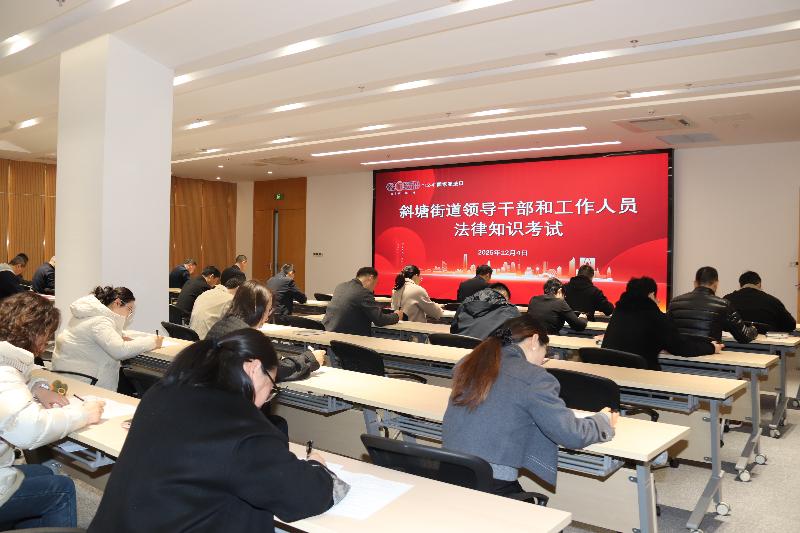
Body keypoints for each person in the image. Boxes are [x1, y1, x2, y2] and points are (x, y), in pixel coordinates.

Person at [88, 329, 338, 533]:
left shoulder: (162, 392)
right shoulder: (239, 426)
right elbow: (305, 497)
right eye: (271, 385)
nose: (266, 398)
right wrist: (317, 466)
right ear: (253, 368)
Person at [443, 315, 616, 493]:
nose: (543, 359)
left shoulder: (469, 362)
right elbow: (572, 435)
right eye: (545, 351)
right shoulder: (534, 378)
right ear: (534, 340)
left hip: (449, 471)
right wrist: (602, 420)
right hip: (491, 482)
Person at [0, 292, 104, 530]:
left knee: (43, 473)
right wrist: (83, 414)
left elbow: (11, 387)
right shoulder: (5, 372)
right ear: (37, 333)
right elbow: (28, 431)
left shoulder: (5, 363)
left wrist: (36, 388)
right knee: (62, 489)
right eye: (47, 336)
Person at [207, 280, 323, 382]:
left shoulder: (220, 325)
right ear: (256, 308)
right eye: (268, 310)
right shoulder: (247, 336)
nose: (267, 317)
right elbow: (275, 370)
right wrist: (310, 359)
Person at [51, 286, 163, 391]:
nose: (129, 314)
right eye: (129, 309)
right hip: (85, 380)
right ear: (117, 303)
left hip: (68, 375)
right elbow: (120, 351)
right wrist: (152, 342)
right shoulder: (100, 322)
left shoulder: (90, 315)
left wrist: (120, 336)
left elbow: (92, 336)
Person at [602, 277, 721, 370]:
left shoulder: (619, 312)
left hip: (610, 378)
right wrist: (711, 348)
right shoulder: (655, 317)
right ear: (651, 295)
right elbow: (681, 347)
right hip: (643, 381)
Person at [668, 266, 757, 343]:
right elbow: (744, 336)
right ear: (716, 284)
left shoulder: (675, 302)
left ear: (695, 283)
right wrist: (753, 329)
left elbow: (667, 331)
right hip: (708, 354)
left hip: (678, 354)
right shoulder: (723, 305)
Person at [323, 267, 402, 336]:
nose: (374, 288)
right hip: (348, 338)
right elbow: (379, 320)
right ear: (371, 278)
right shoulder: (364, 292)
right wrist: (396, 316)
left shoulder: (341, 286)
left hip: (329, 331)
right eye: (376, 283)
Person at [723, 271, 796, 333]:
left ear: (740, 285)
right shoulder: (772, 301)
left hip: (732, 344)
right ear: (759, 284)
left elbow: (720, 323)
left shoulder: (727, 300)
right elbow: (791, 325)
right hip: (768, 345)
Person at [450, 283, 520, 339]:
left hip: (459, 348)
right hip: (486, 351)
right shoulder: (511, 310)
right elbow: (517, 336)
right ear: (505, 296)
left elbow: (453, 330)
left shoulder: (465, 303)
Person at [190, 271, 246, 339]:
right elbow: (236, 325)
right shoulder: (230, 299)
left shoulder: (206, 293)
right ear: (238, 288)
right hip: (207, 340)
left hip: (191, 337)